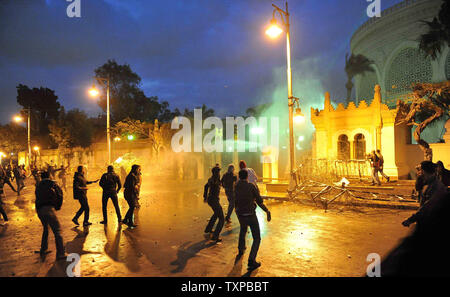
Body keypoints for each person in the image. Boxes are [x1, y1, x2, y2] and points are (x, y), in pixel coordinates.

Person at [381, 161, 450, 276]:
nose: (419, 173)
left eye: (421, 171)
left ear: (426, 172)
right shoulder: (429, 183)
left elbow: (426, 208)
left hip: (429, 226)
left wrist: (411, 219)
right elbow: (418, 189)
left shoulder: (436, 188)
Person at [234, 169, 271, 270]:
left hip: (241, 214)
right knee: (257, 238)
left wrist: (237, 211)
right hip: (250, 215)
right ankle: (251, 260)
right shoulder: (251, 186)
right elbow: (259, 201)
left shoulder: (236, 187)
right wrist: (267, 211)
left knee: (243, 230)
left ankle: (240, 250)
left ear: (239, 177)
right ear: (247, 177)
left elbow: (235, 201)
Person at [35, 171, 65, 259]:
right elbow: (60, 195)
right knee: (58, 231)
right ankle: (60, 253)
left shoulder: (38, 186)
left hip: (40, 210)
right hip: (49, 209)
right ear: (49, 176)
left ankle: (43, 249)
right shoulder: (53, 184)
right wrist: (57, 206)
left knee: (46, 228)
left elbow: (37, 198)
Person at [203, 165, 224, 243]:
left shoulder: (213, 179)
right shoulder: (214, 180)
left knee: (216, 214)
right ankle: (215, 236)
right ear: (216, 173)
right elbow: (207, 186)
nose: (219, 173)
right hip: (213, 200)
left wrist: (205, 197)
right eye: (218, 172)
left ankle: (208, 229)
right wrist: (205, 197)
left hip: (211, 200)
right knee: (222, 218)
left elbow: (206, 186)